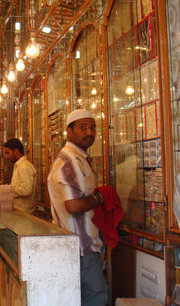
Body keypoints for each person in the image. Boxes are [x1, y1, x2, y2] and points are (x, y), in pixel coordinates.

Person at [47, 109, 108, 306]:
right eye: (82, 128)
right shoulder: (71, 160)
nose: (89, 132)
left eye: (92, 128)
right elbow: (73, 205)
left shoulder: (77, 158)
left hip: (78, 245)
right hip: (82, 246)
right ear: (69, 131)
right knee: (95, 296)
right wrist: (100, 198)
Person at [3, 138, 38, 213]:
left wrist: (7, 190)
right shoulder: (19, 166)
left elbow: (26, 190)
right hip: (19, 212)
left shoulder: (24, 167)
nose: (7, 156)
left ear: (16, 151)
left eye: (8, 153)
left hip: (24, 213)